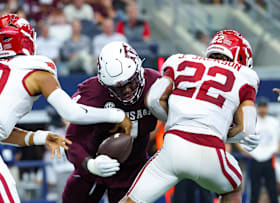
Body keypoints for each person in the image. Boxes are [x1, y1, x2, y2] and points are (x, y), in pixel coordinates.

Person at [0, 14, 131, 203]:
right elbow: (71, 113)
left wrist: (40, 136)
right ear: (24, 40)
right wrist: (115, 114)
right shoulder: (37, 70)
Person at [120, 30, 261, 203]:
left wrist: (178, 120)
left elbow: (153, 100)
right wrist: (222, 134)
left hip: (173, 148)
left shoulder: (179, 61)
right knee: (234, 188)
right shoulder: (246, 76)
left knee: (131, 199)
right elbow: (247, 129)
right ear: (241, 58)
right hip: (211, 152)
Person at [62, 41, 162, 203]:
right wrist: (89, 164)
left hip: (133, 168)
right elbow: (70, 141)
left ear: (139, 70)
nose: (127, 90)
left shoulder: (156, 84)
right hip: (92, 166)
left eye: (131, 82)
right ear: (105, 84)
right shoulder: (94, 92)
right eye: (119, 87)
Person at [236, 97, 279, 203]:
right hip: (255, 159)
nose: (262, 109)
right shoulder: (252, 122)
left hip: (269, 158)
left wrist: (277, 149)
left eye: (264, 106)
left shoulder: (274, 122)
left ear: (267, 108)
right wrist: (243, 151)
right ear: (257, 108)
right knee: (255, 188)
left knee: (272, 188)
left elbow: (278, 137)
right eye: (260, 107)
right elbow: (238, 136)